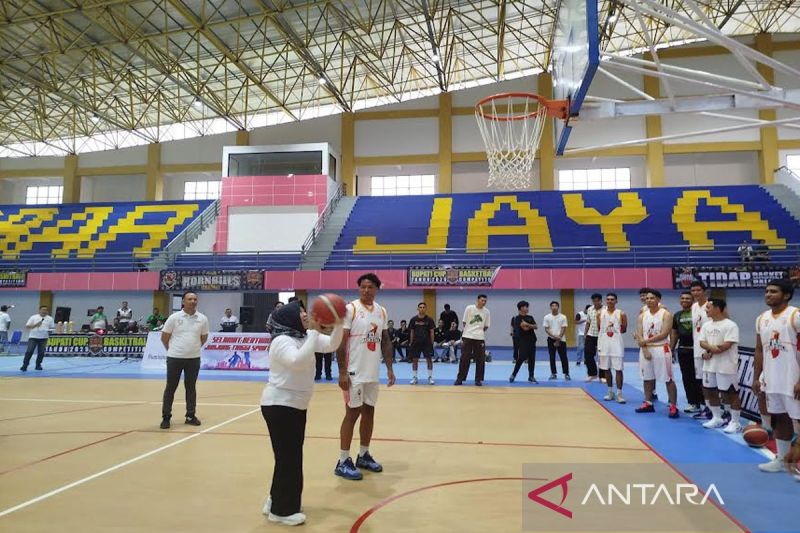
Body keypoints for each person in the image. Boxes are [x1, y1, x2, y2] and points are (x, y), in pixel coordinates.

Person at [259, 301, 343, 525]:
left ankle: (275, 500)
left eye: (305, 311)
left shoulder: (303, 337)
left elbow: (332, 345)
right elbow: (296, 361)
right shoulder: (281, 341)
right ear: (289, 318)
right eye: (301, 312)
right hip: (280, 405)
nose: (306, 315)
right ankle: (282, 511)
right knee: (289, 459)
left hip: (294, 406)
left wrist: (339, 324)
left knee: (287, 458)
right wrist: (314, 332)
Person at [335, 273, 396, 480]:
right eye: (362, 287)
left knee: (369, 411)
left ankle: (363, 455)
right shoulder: (350, 309)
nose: (366, 290)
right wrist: (342, 371)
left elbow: (385, 341)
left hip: (372, 372)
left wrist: (389, 368)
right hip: (354, 372)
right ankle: (343, 461)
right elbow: (341, 342)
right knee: (352, 413)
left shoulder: (381, 311)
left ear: (377, 289)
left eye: (370, 287)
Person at [753, 278, 800, 476]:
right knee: (780, 419)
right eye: (767, 291)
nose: (768, 294)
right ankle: (781, 459)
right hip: (772, 379)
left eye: (773, 291)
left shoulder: (795, 315)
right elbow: (759, 350)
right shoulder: (761, 318)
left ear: (786, 295)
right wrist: (756, 377)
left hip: (793, 378)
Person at [160, 292, 209, 429]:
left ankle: (190, 416)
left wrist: (192, 349)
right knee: (171, 387)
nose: (193, 301)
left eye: (195, 299)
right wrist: (173, 350)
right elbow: (164, 337)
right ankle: (166, 417)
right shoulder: (174, 317)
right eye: (189, 299)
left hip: (193, 359)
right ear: (183, 302)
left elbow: (204, 338)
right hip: (175, 358)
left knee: (191, 387)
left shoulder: (203, 319)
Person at [698, 299, 742, 434]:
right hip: (709, 365)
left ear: (717, 308)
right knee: (710, 391)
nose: (706, 310)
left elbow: (726, 346)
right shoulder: (706, 325)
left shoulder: (730, 325)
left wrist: (710, 350)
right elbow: (702, 342)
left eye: (708, 307)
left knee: (730, 393)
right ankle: (717, 418)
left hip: (726, 365)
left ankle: (735, 422)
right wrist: (711, 350)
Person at [635, 290, 679, 418]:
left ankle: (673, 405)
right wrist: (644, 349)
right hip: (646, 350)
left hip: (661, 348)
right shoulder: (642, 315)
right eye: (647, 298)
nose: (648, 300)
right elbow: (639, 333)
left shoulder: (666, 314)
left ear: (658, 300)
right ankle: (648, 403)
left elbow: (664, 334)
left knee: (668, 378)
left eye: (652, 298)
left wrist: (645, 341)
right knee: (647, 378)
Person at [671, 292, 704, 413]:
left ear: (693, 300)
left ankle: (704, 403)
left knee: (700, 378)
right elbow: (674, 333)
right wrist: (671, 349)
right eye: (682, 298)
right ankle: (692, 402)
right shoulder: (677, 315)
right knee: (687, 377)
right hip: (683, 350)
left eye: (688, 298)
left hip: (698, 350)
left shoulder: (698, 314)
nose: (685, 300)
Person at [455, 294, 491, 386]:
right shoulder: (469, 308)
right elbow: (464, 322)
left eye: (485, 301)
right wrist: (469, 331)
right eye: (482, 300)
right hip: (467, 336)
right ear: (478, 300)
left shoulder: (486, 312)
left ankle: (478, 379)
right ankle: (460, 378)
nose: (483, 302)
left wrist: (478, 332)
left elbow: (486, 326)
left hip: (479, 338)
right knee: (464, 358)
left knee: (480, 359)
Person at [597, 293, 627, 403]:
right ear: (606, 301)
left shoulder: (621, 314)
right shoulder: (600, 313)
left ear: (616, 301)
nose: (610, 301)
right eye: (608, 299)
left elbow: (624, 329)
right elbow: (600, 328)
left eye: (612, 299)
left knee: (618, 369)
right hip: (604, 344)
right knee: (606, 369)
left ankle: (619, 393)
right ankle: (610, 392)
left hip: (617, 344)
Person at [690, 281, 713, 420]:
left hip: (709, 350)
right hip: (697, 349)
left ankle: (716, 409)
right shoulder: (693, 306)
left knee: (711, 381)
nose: (695, 293)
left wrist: (710, 349)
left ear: (704, 291)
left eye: (698, 290)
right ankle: (707, 408)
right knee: (702, 381)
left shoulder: (710, 305)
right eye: (693, 290)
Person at [509, 300, 537, 383]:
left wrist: (527, 324)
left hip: (532, 340)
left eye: (527, 307)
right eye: (525, 307)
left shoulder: (530, 317)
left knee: (532, 359)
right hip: (523, 341)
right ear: (520, 308)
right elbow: (524, 328)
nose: (527, 308)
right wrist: (530, 326)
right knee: (521, 358)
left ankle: (531, 376)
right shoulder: (517, 318)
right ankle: (513, 374)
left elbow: (536, 326)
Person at [409, 302, 436, 385]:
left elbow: (432, 332)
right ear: (418, 309)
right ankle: (414, 377)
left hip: (427, 343)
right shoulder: (413, 319)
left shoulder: (430, 319)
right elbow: (412, 332)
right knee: (415, 360)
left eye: (424, 307)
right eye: (420, 307)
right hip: (416, 343)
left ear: (426, 309)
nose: (422, 309)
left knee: (429, 360)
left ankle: (430, 377)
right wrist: (411, 342)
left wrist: (432, 343)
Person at [21, 306, 54, 371]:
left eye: (46, 310)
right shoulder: (33, 317)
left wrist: (50, 331)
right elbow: (27, 326)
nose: (44, 311)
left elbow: (52, 328)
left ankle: (38, 365)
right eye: (43, 310)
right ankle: (25, 365)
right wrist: (36, 325)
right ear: (39, 310)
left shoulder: (50, 318)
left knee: (41, 353)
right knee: (29, 351)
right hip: (33, 337)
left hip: (44, 338)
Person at [544, 301, 569, 381]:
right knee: (552, 357)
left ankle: (566, 373)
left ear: (558, 307)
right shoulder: (547, 317)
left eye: (556, 306)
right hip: (551, 339)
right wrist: (554, 336)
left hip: (561, 339)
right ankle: (553, 373)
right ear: (550, 307)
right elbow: (546, 329)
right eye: (552, 306)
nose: (554, 307)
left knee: (563, 357)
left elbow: (564, 328)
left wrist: (559, 338)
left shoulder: (563, 317)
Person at [583, 294, 603, 382]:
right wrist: (585, 333)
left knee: (602, 356)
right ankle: (592, 374)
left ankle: (602, 376)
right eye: (594, 301)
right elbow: (588, 322)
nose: (596, 302)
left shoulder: (605, 309)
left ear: (601, 301)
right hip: (590, 335)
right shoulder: (590, 309)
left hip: (602, 336)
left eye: (597, 301)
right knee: (588, 355)